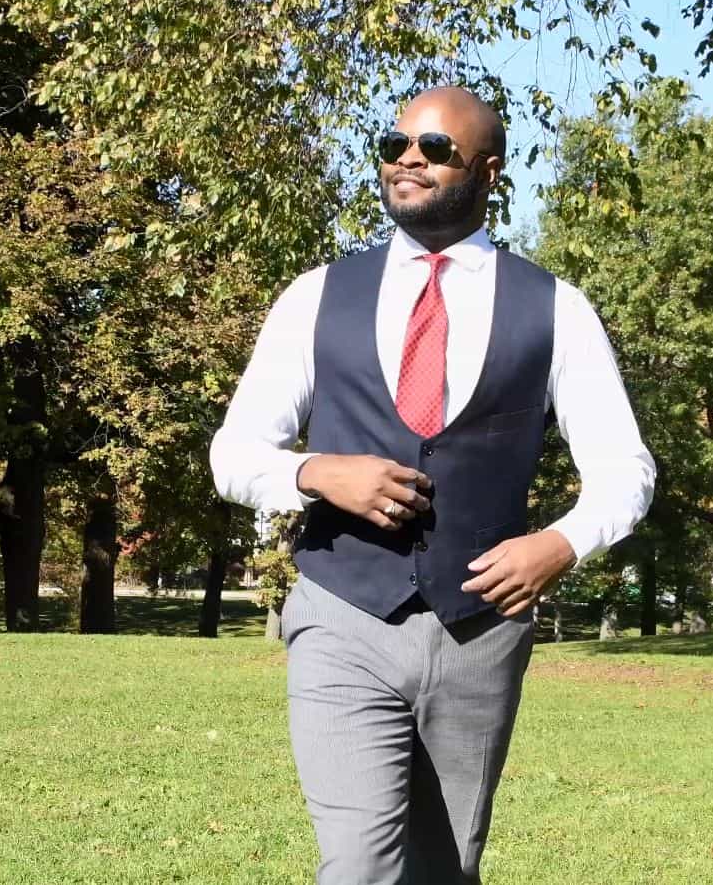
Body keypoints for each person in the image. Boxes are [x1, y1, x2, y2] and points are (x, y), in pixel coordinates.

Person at [210, 86, 654, 883]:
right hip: (342, 614)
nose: (408, 158)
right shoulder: (315, 297)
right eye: (394, 143)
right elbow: (234, 452)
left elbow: (625, 469)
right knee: (356, 865)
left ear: (488, 171)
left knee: (446, 870)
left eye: (436, 148)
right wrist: (314, 471)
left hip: (479, 627)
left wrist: (559, 544)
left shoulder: (557, 308)